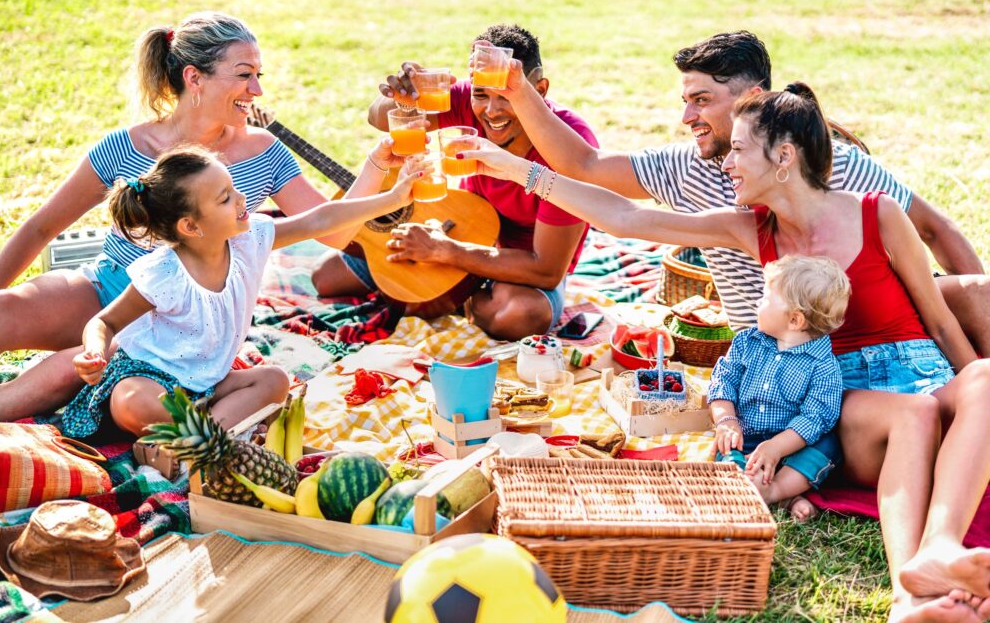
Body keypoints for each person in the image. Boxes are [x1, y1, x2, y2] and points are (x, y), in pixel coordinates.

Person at [461, 84, 990, 622]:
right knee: (917, 412)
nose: (727, 163)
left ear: (784, 157)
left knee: (985, 378)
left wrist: (977, 401)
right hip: (856, 405)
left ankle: (938, 554)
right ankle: (911, 594)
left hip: (924, 374)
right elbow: (626, 219)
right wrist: (518, 170)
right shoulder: (748, 229)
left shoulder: (879, 216)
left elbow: (943, 325)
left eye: (739, 150)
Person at [0, 12, 391, 422]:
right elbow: (42, 227)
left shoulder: (265, 153)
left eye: (259, 75)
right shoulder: (126, 146)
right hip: (114, 289)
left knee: (64, 370)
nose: (257, 90)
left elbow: (333, 234)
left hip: (186, 326)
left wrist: (379, 166)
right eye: (244, 75)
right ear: (194, 77)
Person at [467, 30, 990, 356]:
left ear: (752, 99)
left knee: (976, 295)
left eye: (701, 100)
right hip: (786, 345)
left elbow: (935, 228)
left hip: (877, 324)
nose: (686, 117)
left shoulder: (838, 168)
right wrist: (515, 97)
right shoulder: (690, 171)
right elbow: (590, 173)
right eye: (685, 100)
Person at [64, 144, 419, 437]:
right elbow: (104, 324)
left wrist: (393, 198)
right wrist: (94, 352)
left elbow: (320, 219)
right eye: (224, 199)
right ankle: (211, 437)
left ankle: (193, 443)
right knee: (132, 402)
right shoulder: (164, 275)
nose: (241, 199)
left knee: (275, 381)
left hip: (207, 385)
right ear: (190, 226)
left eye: (234, 188)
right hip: (150, 379)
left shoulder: (251, 240)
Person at [310, 24, 597, 340]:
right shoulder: (464, 100)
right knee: (326, 277)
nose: (491, 110)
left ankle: (450, 298)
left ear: (539, 90)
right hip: (459, 225)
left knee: (520, 315)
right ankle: (441, 292)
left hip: (518, 268)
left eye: (506, 96)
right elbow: (379, 119)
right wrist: (404, 101)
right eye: (481, 94)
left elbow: (546, 269)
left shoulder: (569, 147)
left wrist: (444, 251)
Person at [709, 255, 851, 523]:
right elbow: (723, 381)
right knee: (728, 448)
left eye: (765, 298)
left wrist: (776, 447)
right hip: (746, 435)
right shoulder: (746, 342)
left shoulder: (823, 365)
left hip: (793, 444)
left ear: (795, 320)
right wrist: (726, 420)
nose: (756, 303)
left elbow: (815, 417)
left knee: (828, 445)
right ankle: (751, 482)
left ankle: (775, 490)